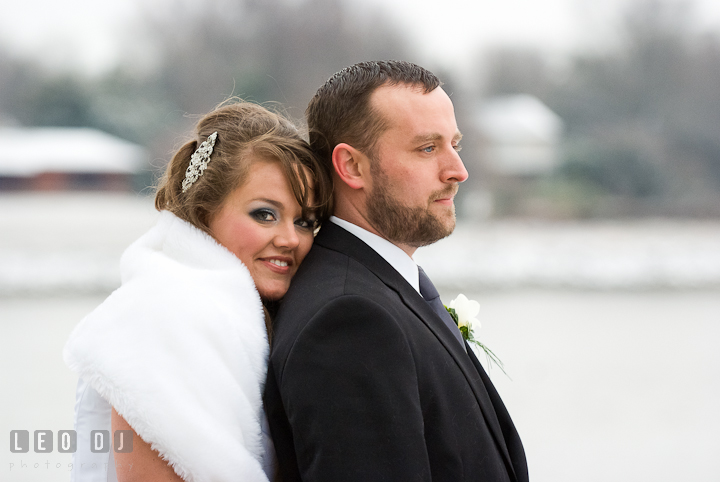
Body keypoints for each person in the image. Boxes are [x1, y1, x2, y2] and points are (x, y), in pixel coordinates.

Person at [264, 60, 529, 481]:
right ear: (351, 166)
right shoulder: (347, 319)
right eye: (427, 148)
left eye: (454, 145)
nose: (458, 171)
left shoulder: (384, 286)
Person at [63, 101, 330, 482]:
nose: (290, 239)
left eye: (305, 221)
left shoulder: (236, 316)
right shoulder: (157, 317)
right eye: (264, 214)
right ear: (205, 212)